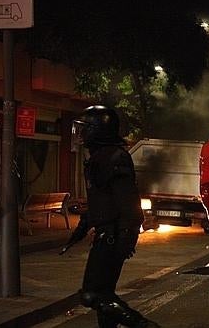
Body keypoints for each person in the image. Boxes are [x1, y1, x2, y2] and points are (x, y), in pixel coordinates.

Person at [61, 105, 159, 328]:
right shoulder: (100, 157)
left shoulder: (113, 157)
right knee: (103, 294)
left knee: (93, 294)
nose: (82, 134)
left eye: (86, 128)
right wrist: (84, 225)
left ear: (98, 129)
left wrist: (126, 236)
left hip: (113, 235)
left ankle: (142, 325)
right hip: (107, 233)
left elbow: (128, 201)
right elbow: (101, 199)